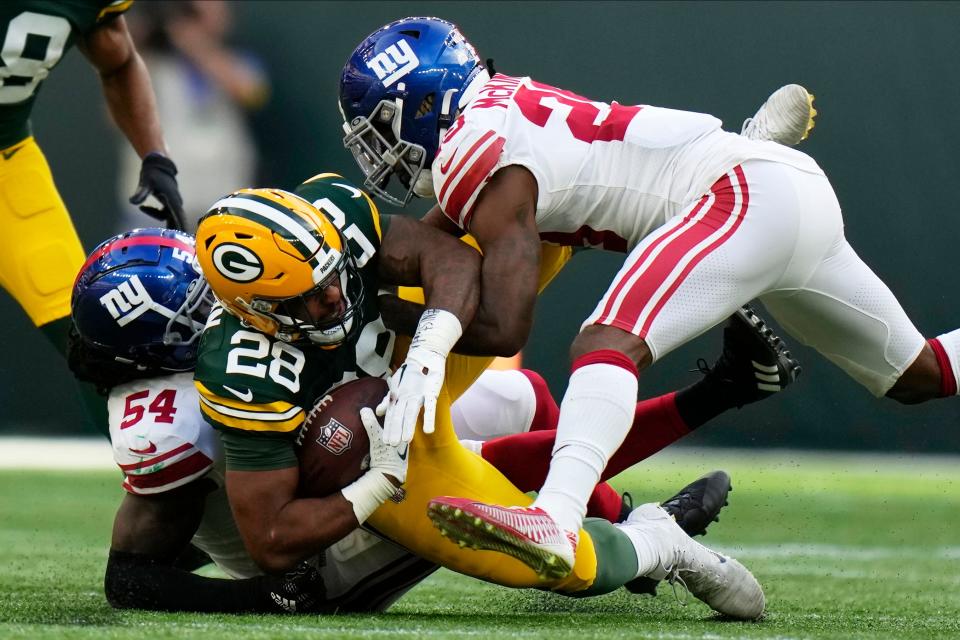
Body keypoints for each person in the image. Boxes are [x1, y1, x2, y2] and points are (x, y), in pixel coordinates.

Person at [337, 16, 960, 579]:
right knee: (920, 373)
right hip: (780, 194)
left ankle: (554, 517)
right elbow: (442, 240)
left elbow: (504, 327)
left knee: (606, 342)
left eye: (378, 129)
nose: (377, 152)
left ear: (419, 104)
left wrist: (405, 320)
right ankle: (757, 140)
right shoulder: (495, 114)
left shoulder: (476, 155)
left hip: (738, 195)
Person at [71, 227, 740, 614]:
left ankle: (614, 515)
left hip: (337, 450)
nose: (227, 305)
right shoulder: (168, 419)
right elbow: (127, 577)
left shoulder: (249, 327)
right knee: (446, 468)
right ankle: (665, 509)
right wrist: (259, 593)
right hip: (321, 545)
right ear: (165, 344)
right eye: (204, 306)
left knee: (519, 397)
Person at [0, 1, 184, 433]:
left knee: (96, 336)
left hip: (7, 166)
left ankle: (154, 491)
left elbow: (118, 59)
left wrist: (155, 155)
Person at [117, 0, 268, 231]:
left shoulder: (234, 59)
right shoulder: (151, 66)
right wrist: (136, 44)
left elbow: (251, 93)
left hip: (222, 202)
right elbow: (117, 113)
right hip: (157, 205)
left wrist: (193, 43)